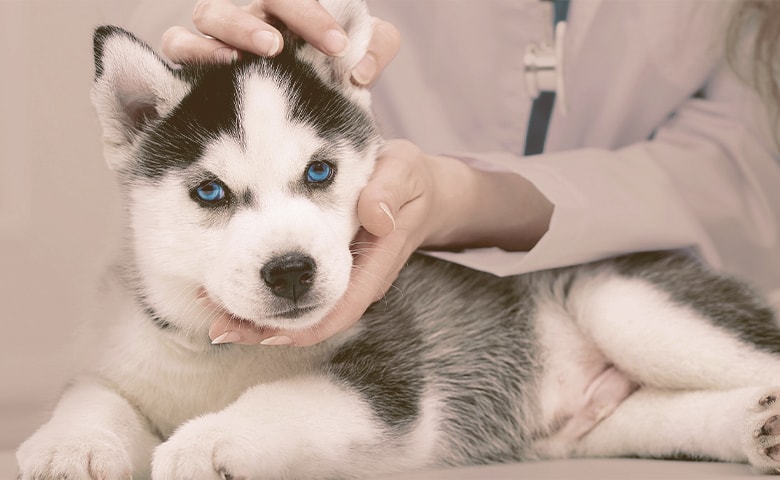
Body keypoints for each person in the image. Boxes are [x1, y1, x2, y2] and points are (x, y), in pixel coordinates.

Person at [161, 0, 780, 347]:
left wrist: (466, 197)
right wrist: (233, 42)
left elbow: (739, 172)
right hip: (392, 330)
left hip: (671, 315)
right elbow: (164, 70)